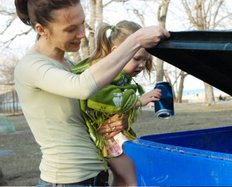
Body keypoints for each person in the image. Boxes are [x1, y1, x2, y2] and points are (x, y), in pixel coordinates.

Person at [14, 0, 170, 186]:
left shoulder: (69, 65)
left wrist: (118, 118)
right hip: (66, 181)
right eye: (71, 29)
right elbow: (82, 87)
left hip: (95, 177)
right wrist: (135, 41)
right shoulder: (32, 66)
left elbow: (93, 109)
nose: (81, 34)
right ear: (41, 30)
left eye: (82, 23)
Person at [72, 20, 162, 186]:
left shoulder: (121, 77)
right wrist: (138, 101)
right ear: (117, 52)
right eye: (137, 59)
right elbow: (102, 97)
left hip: (113, 136)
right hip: (107, 137)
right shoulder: (102, 73)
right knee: (131, 179)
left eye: (145, 60)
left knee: (125, 178)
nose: (141, 65)